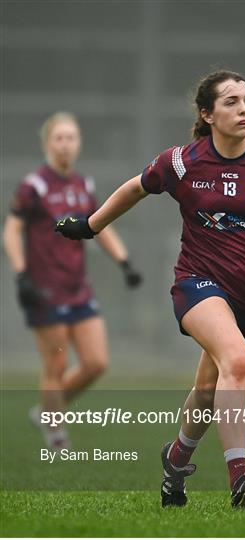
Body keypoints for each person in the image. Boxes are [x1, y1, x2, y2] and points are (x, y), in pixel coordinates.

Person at [55, 71, 245, 508]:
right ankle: (239, 474)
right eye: (231, 102)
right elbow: (136, 187)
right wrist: (91, 226)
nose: (244, 109)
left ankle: (175, 459)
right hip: (197, 284)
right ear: (207, 114)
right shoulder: (183, 163)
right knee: (236, 360)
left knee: (210, 391)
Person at [3, 111, 142, 450]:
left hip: (78, 287)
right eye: (59, 138)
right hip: (44, 288)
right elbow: (12, 228)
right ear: (48, 143)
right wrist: (21, 273)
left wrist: (124, 262)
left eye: (71, 138)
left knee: (96, 363)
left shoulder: (83, 185)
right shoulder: (34, 186)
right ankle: (56, 437)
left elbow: (98, 225)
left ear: (78, 143)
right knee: (57, 362)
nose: (65, 145)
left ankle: (47, 410)